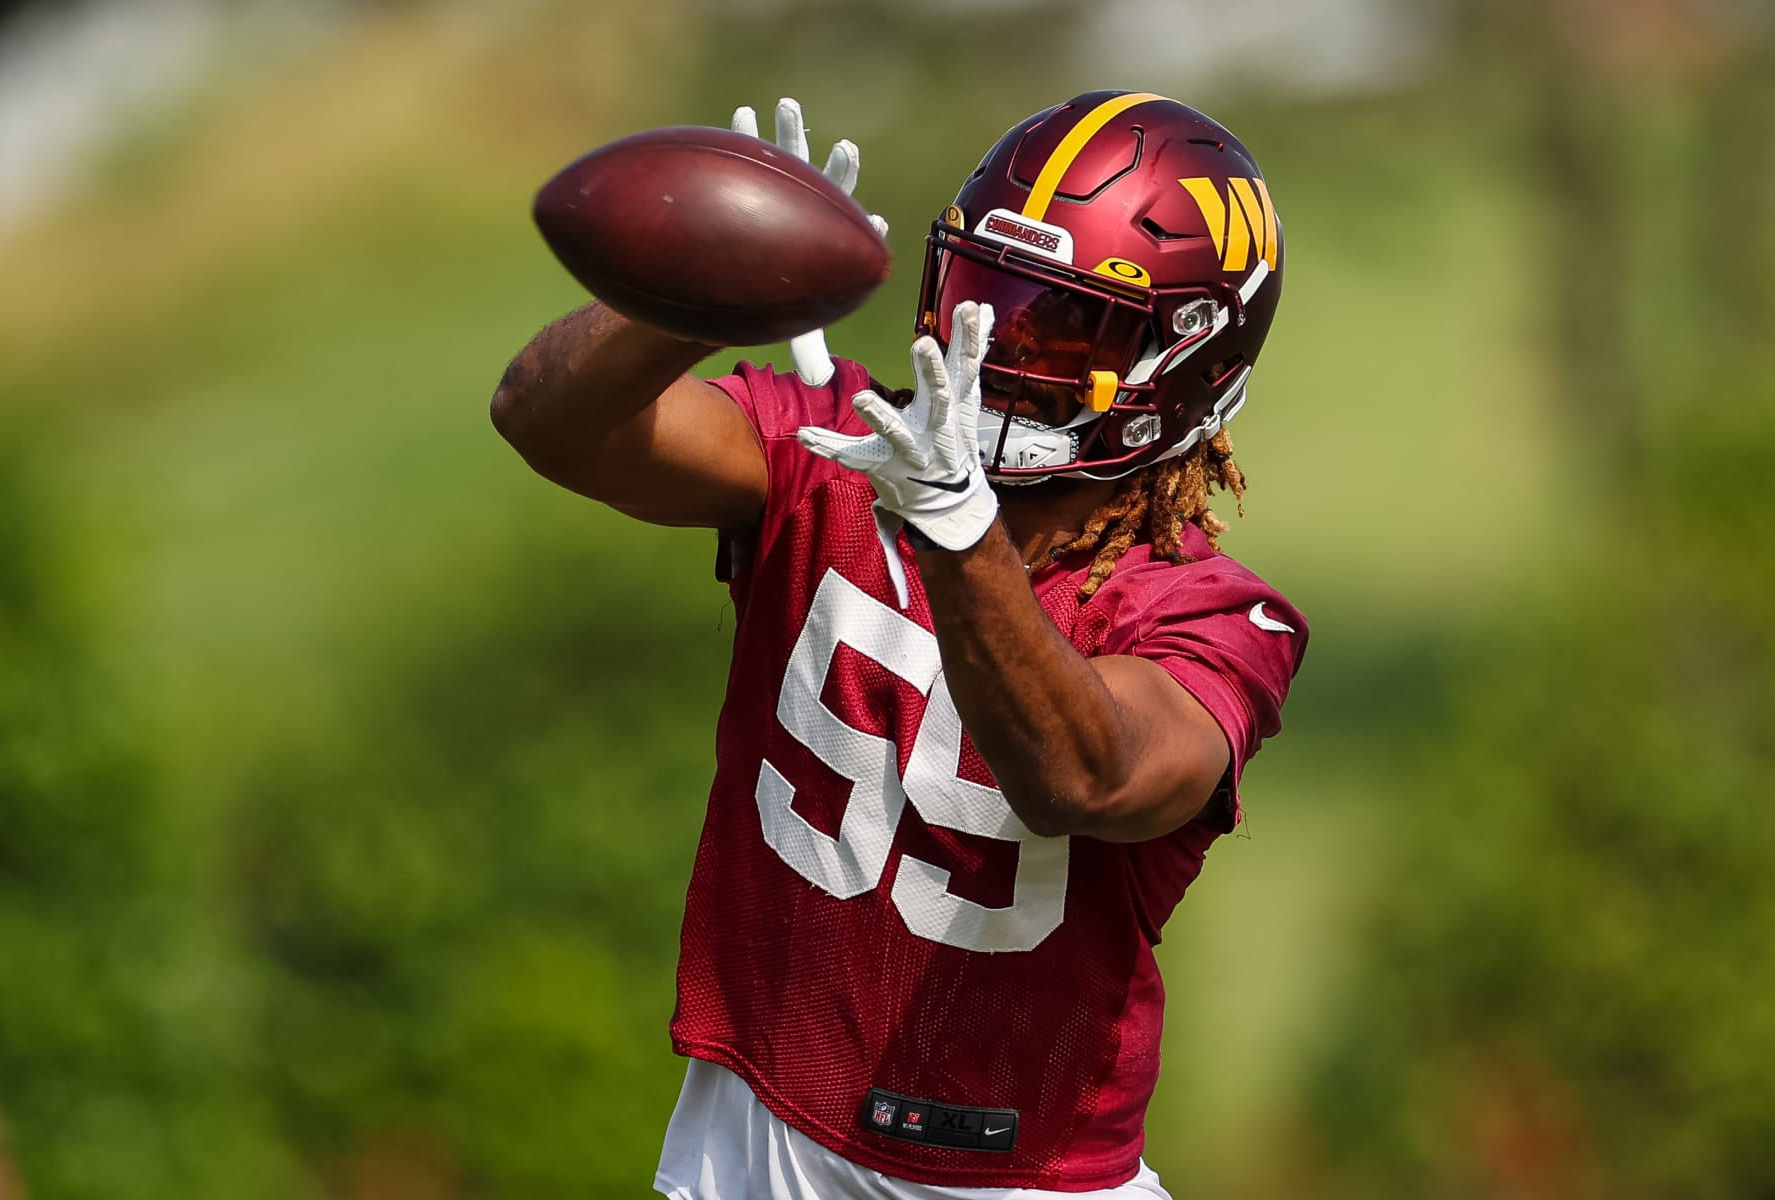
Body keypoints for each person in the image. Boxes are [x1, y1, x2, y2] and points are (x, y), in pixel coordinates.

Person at [491, 91, 1307, 1200]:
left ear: (1184, 360)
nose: (1005, 346)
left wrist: (960, 535)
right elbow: (548, 421)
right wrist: (697, 295)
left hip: (1019, 1180)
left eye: (1062, 324)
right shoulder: (841, 445)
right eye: (989, 295)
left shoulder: (1213, 613)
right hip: (755, 1143)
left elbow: (1087, 773)